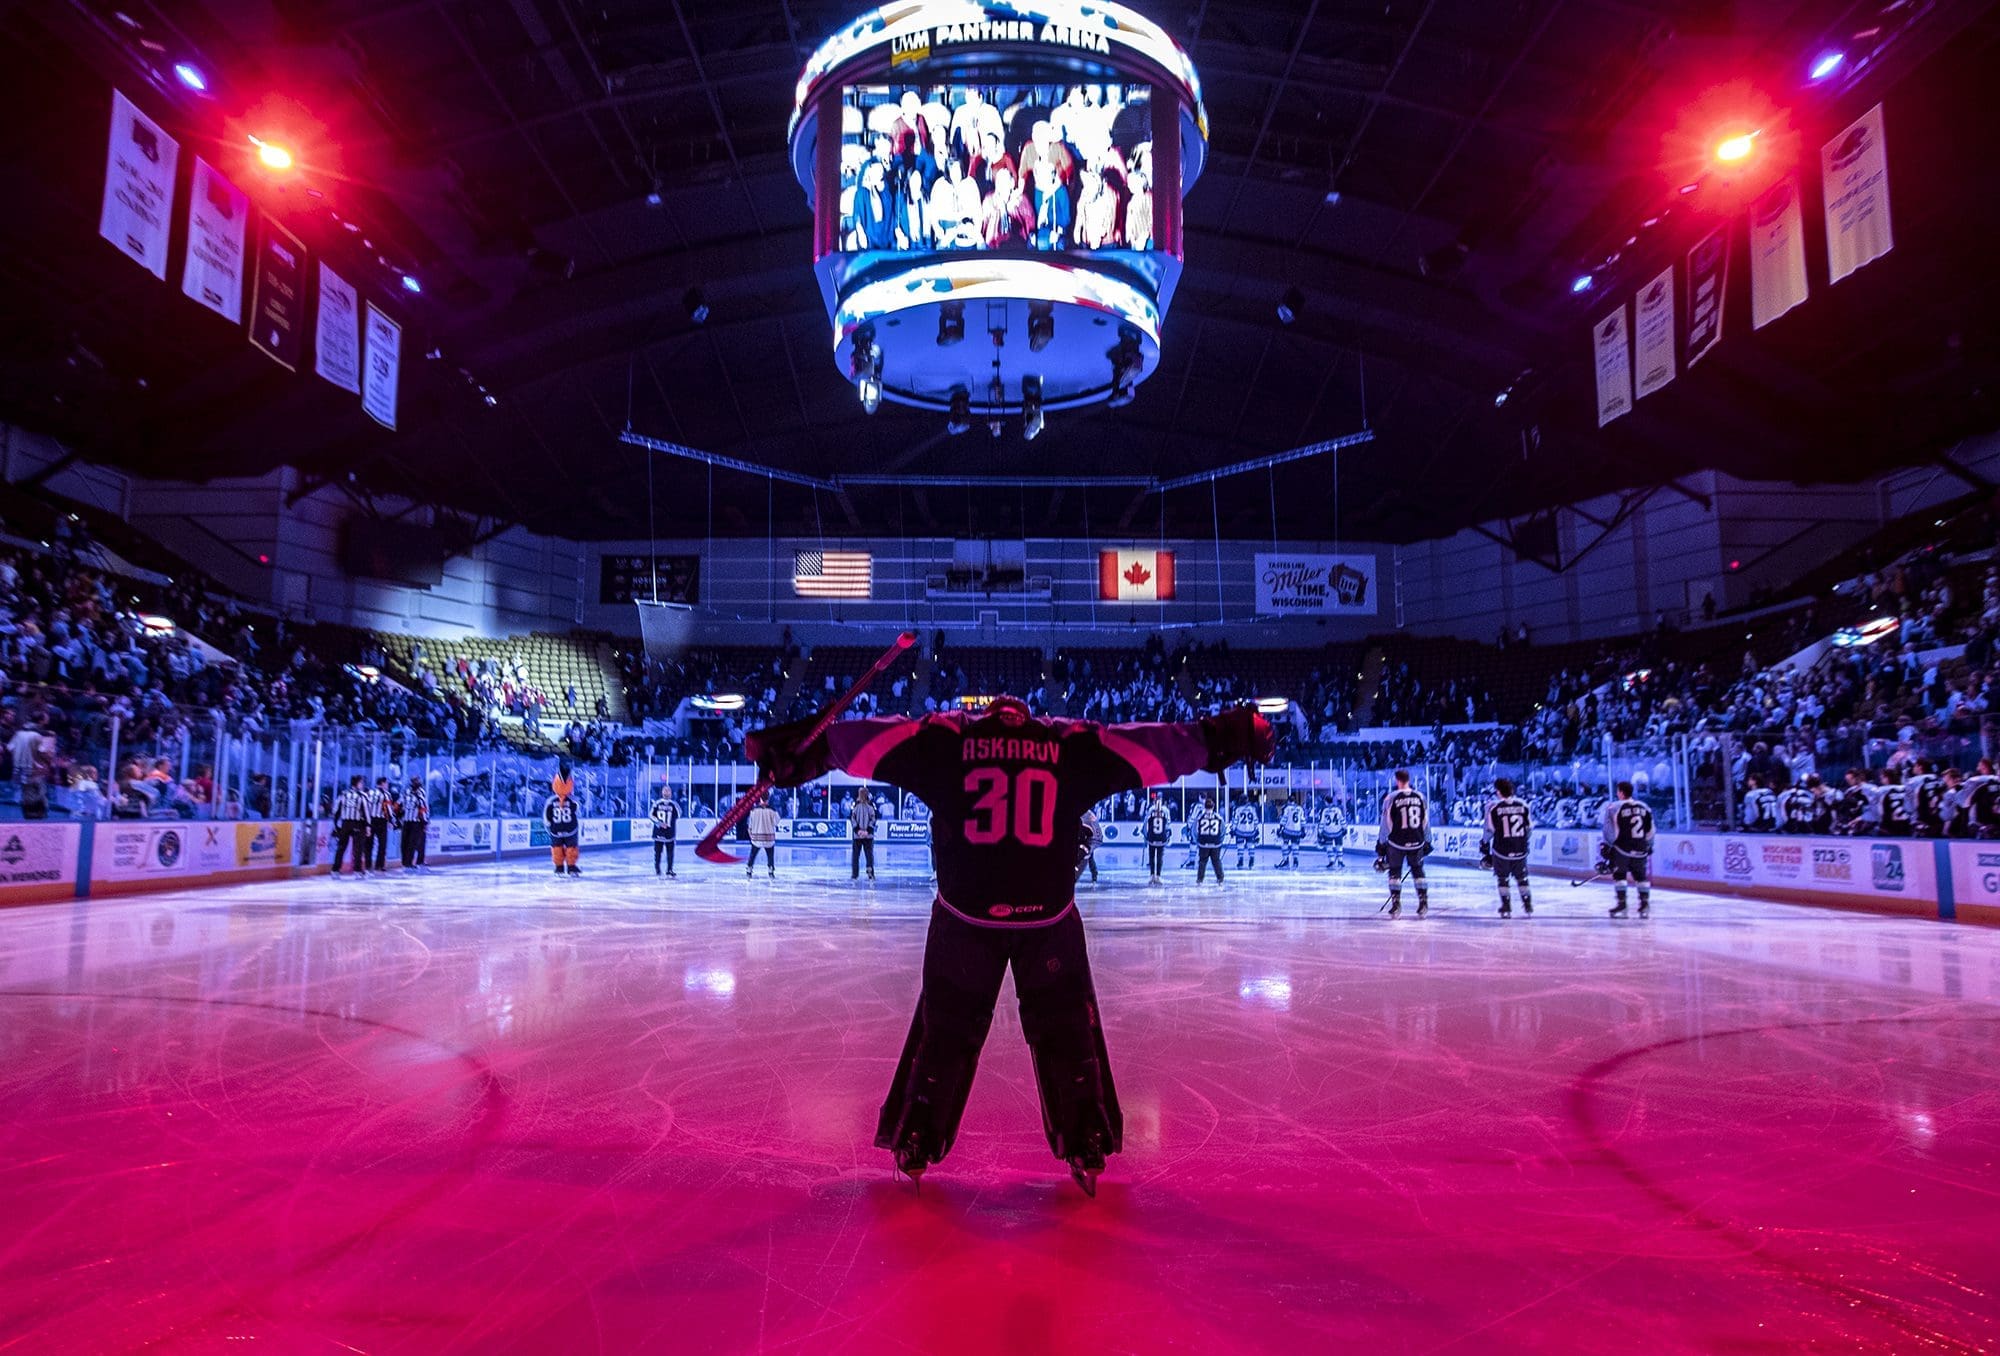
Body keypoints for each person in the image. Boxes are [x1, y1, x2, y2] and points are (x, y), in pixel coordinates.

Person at [745, 698, 1271, 1195]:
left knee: (946, 1032)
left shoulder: (946, 739)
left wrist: (793, 750)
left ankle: (917, 1136)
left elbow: (858, 741)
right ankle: (1085, 1136)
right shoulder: (1069, 742)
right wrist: (1226, 734)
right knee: (1066, 1031)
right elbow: (1155, 748)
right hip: (1047, 917)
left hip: (965, 916)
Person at [1375, 770, 1431, 918]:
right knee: (1418, 872)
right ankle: (1423, 903)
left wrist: (1381, 845)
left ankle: (1396, 904)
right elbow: (1425, 821)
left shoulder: (1391, 798)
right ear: (1409, 779)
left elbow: (1386, 824)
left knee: (1394, 872)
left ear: (1397, 780)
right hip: (1417, 841)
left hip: (1397, 842)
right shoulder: (1420, 797)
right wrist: (1427, 840)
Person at [1602, 782, 1655, 919]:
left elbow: (1609, 830)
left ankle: (1622, 904)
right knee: (1641, 877)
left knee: (1620, 875)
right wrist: (1648, 845)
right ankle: (1644, 904)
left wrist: (1608, 845)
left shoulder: (1613, 807)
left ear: (1620, 792)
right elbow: (1651, 829)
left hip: (1622, 848)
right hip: (1641, 848)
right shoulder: (1645, 807)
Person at [1481, 777, 1533, 918]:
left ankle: (1506, 905)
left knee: (1503, 879)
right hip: (1520, 849)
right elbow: (1529, 828)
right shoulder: (1523, 805)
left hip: (1501, 850)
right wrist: (1524, 841)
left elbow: (1490, 830)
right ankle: (1527, 904)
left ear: (1498, 792)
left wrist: (1484, 844)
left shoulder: (1495, 808)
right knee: (1522, 878)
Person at [332, 775, 372, 878]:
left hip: (345, 823)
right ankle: (357, 871)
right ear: (358, 783)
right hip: (357, 823)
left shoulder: (343, 794)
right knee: (358, 848)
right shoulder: (362, 795)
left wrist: (336, 824)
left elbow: (336, 810)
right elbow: (366, 812)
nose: (362, 785)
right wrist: (368, 825)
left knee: (341, 847)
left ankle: (335, 870)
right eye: (361, 782)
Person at [544, 773, 581, 877]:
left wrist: (548, 827)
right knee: (571, 848)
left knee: (557, 848)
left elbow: (547, 816)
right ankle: (571, 867)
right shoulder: (573, 800)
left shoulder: (551, 801)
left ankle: (559, 868)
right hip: (570, 830)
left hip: (556, 830)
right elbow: (577, 811)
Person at [1905, 759, 1945, 837]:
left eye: (1915, 766)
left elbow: (1908, 804)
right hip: (1938, 819)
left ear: (1920, 767)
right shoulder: (1937, 779)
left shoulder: (1912, 781)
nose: (1913, 768)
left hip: (1921, 820)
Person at [1193, 795, 1226, 884]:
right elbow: (1223, 830)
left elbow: (1194, 830)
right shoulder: (1219, 817)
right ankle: (1220, 878)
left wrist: (1198, 841)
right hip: (1216, 844)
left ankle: (1200, 879)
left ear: (1205, 806)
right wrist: (1220, 841)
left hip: (1203, 843)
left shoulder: (1200, 817)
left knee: (1202, 861)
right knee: (1216, 861)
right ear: (1213, 806)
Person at [1142, 792, 1172, 885]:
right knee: (1159, 857)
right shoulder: (1165, 810)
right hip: (1161, 837)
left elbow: (1145, 823)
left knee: (1151, 857)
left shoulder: (1151, 809)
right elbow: (1168, 825)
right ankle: (1158, 876)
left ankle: (1152, 875)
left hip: (1152, 836)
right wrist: (1168, 836)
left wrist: (1145, 835)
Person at [400, 776, 429, 869]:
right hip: (411, 821)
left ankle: (408, 862)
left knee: (410, 842)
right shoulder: (410, 792)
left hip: (412, 821)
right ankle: (407, 862)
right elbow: (401, 803)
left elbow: (423, 807)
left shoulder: (415, 792)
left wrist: (425, 821)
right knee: (408, 842)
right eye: (416, 781)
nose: (417, 782)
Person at [651, 785, 679, 877]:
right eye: (665, 790)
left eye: (668, 791)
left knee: (670, 852)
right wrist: (659, 823)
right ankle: (657, 869)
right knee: (658, 852)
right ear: (662, 792)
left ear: (671, 793)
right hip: (658, 832)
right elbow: (650, 815)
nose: (666, 792)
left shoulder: (674, 804)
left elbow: (679, 814)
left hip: (670, 832)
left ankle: (669, 869)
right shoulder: (657, 803)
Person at [850, 788, 878, 881]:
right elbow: (852, 819)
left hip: (864, 835)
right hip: (862, 835)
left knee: (863, 855)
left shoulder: (867, 805)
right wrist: (860, 831)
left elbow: (873, 819)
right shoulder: (857, 805)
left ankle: (859, 873)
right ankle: (858, 873)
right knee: (863, 855)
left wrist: (864, 831)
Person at [747, 800, 780, 878]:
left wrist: (751, 835)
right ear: (768, 799)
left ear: (760, 799)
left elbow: (750, 825)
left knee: (753, 855)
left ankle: (749, 870)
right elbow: (776, 822)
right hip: (769, 838)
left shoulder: (753, 810)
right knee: (770, 855)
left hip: (756, 838)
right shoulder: (772, 810)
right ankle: (771, 871)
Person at [368, 776, 393, 872]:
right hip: (381, 821)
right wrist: (390, 821)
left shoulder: (370, 792)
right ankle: (379, 865)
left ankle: (368, 865)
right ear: (382, 783)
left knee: (369, 844)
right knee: (382, 844)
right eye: (386, 783)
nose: (387, 785)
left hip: (370, 820)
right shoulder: (386, 794)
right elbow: (388, 809)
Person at [1317, 799, 1348, 870]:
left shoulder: (1325, 811)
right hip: (1338, 831)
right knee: (1339, 847)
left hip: (1328, 832)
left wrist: (1320, 831)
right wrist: (1345, 828)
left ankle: (1331, 861)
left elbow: (1322, 822)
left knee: (1329, 847)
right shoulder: (1337, 810)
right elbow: (1342, 819)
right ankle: (1340, 861)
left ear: (1326, 802)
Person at [1230, 799, 1261, 870]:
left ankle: (1240, 861)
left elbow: (1235, 820)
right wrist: (1256, 828)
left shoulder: (1238, 809)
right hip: (1250, 831)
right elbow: (1256, 820)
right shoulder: (1252, 809)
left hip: (1240, 831)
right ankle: (1251, 860)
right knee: (1251, 846)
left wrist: (1233, 829)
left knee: (1240, 846)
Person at [1276, 799, 1306, 869]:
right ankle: (1295, 860)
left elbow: (1284, 819)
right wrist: (1303, 830)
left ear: (1289, 801)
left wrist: (1280, 828)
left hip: (1288, 830)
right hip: (1297, 831)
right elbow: (1303, 820)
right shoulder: (1300, 808)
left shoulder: (1287, 808)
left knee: (1285, 844)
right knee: (1295, 845)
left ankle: (1285, 860)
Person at [1076, 806, 1101, 883]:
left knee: (1088, 856)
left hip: (1089, 840)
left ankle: (1094, 875)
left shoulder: (1086, 815)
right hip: (1086, 838)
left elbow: (1090, 831)